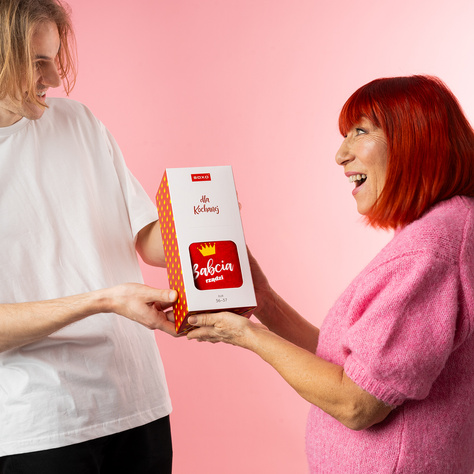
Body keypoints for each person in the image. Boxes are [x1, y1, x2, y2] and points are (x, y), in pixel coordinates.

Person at [187, 75, 474, 473]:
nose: (341, 154)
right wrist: (264, 299)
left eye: (360, 131)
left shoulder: (429, 251)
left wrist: (243, 334)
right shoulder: (444, 230)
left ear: (416, 137)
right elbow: (348, 366)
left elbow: (357, 403)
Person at [0, 0, 179, 472]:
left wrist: (203, 224)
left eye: (54, 58)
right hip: (40, 423)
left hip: (137, 401)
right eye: (37, 62)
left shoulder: (79, 122)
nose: (53, 78)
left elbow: (145, 238)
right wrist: (101, 301)